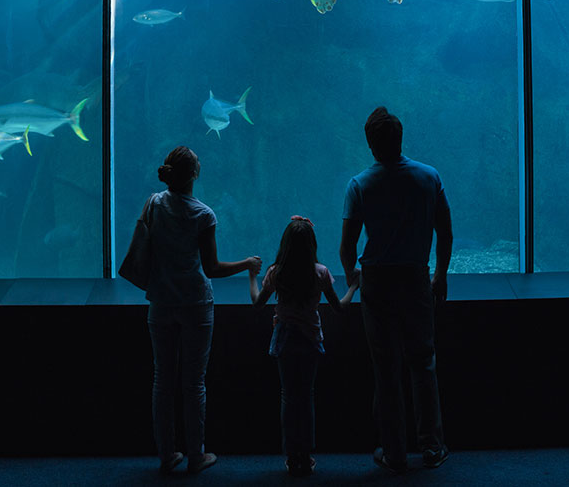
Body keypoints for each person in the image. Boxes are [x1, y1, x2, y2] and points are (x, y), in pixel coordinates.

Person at [132, 145, 262, 474]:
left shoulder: (153, 203)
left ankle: (165, 455)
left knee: (162, 380)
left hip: (160, 302)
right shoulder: (203, 214)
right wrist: (247, 263)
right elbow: (213, 267)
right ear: (194, 175)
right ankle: (195, 455)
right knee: (194, 383)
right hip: (194, 304)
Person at [339, 107, 453, 473]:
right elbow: (445, 232)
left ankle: (394, 452)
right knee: (424, 362)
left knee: (385, 368)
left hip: (377, 282)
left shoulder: (359, 184)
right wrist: (441, 274)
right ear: (400, 139)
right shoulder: (428, 177)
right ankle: (432, 447)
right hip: (416, 278)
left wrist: (352, 274)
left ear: (371, 144)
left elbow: (347, 246)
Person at [249, 216, 358, 477]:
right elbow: (340, 308)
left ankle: (291, 455)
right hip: (310, 338)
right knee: (306, 396)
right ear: (312, 245)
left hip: (285, 338)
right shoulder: (320, 272)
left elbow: (257, 302)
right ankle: (306, 455)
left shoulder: (275, 272)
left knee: (288, 395)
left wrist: (252, 276)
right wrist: (354, 286)